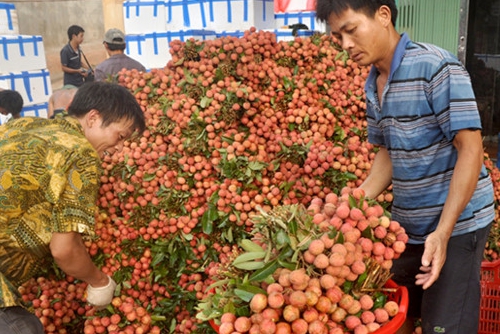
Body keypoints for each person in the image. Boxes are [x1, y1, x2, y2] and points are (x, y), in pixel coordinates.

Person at [316, 1, 495, 333]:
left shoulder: (436, 66)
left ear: (383, 16)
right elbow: (388, 153)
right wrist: (352, 203)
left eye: (351, 31)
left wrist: (442, 233)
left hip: (458, 225)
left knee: (444, 326)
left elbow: (471, 150)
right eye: (337, 37)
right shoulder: (374, 83)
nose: (346, 46)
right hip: (409, 225)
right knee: (397, 315)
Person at [0, 82, 145, 333]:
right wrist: (99, 282)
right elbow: (64, 249)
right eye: (120, 137)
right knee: (24, 329)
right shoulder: (82, 154)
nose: (121, 147)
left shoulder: (23, 125)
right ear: (93, 118)